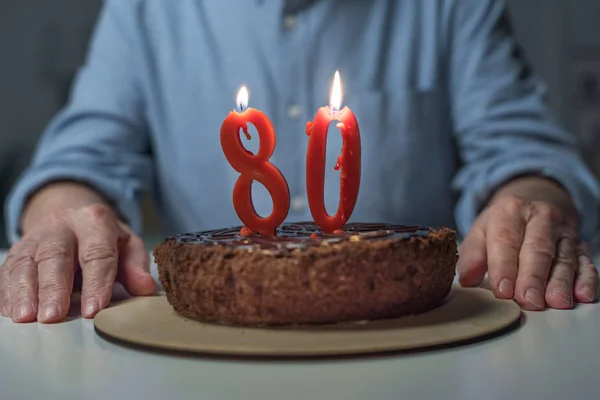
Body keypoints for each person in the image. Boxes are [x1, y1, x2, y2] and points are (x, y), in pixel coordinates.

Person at [1, 0, 599, 324]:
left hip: (425, 350)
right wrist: (62, 210)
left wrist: (534, 201)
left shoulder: (452, 8)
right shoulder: (145, 10)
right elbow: (85, 153)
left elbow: (521, 149)